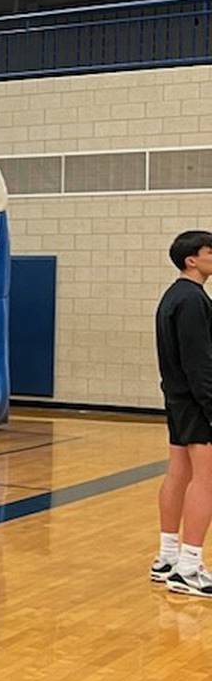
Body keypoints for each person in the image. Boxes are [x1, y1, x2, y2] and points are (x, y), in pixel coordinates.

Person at [153, 229, 212, 598]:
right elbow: (199, 362)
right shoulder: (191, 300)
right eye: (210, 251)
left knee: (179, 473)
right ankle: (189, 566)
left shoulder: (175, 296)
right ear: (192, 259)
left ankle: (167, 557)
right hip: (195, 401)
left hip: (178, 399)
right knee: (206, 480)